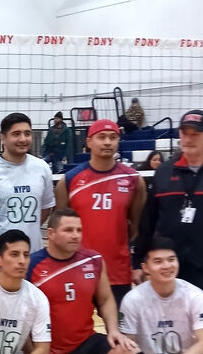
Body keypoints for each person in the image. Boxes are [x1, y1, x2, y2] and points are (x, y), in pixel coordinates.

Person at [28, 209, 148, 354]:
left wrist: (113, 330)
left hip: (85, 342)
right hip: (51, 353)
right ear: (50, 233)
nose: (75, 235)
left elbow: (105, 299)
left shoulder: (93, 260)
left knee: (131, 353)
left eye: (79, 230)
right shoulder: (32, 265)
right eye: (68, 230)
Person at [134, 109, 203, 354]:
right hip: (166, 267)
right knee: (165, 326)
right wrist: (137, 263)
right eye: (184, 133)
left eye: (195, 134)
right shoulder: (164, 171)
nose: (188, 139)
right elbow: (148, 222)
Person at [54, 119, 145, 309]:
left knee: (121, 333)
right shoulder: (69, 180)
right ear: (89, 142)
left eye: (113, 137)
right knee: (75, 333)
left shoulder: (133, 180)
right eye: (101, 137)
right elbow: (59, 229)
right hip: (77, 269)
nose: (107, 142)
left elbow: (136, 228)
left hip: (117, 271)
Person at [0, 112, 55, 275]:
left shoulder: (41, 168)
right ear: (3, 138)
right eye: (16, 134)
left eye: (27, 134)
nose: (23, 139)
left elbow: (46, 209)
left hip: (32, 262)